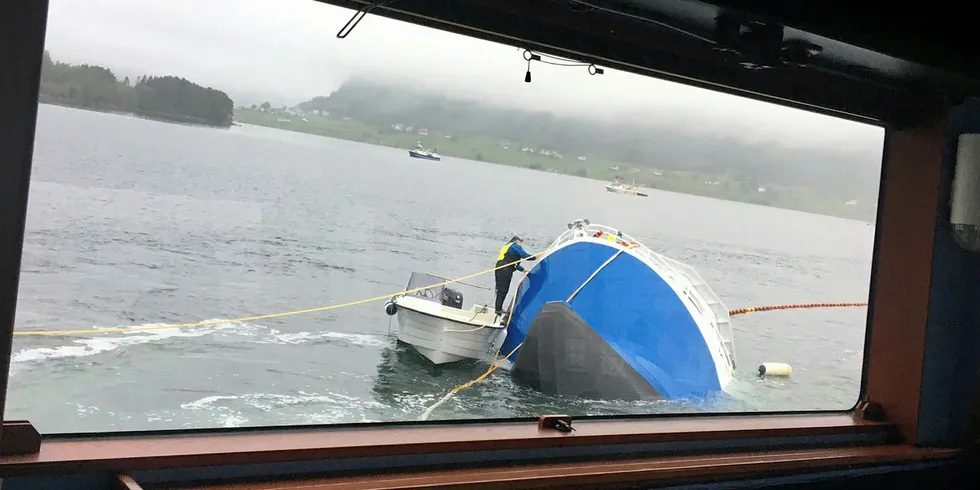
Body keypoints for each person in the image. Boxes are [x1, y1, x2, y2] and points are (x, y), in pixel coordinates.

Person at [494, 236, 536, 316]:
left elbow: (514, 264)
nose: (521, 245)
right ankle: (498, 309)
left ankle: (498, 309)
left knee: (500, 289)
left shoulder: (507, 247)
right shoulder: (515, 245)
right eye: (521, 242)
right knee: (503, 290)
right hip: (505, 270)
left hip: (500, 268)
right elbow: (524, 255)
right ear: (517, 240)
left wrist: (523, 270)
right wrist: (535, 257)